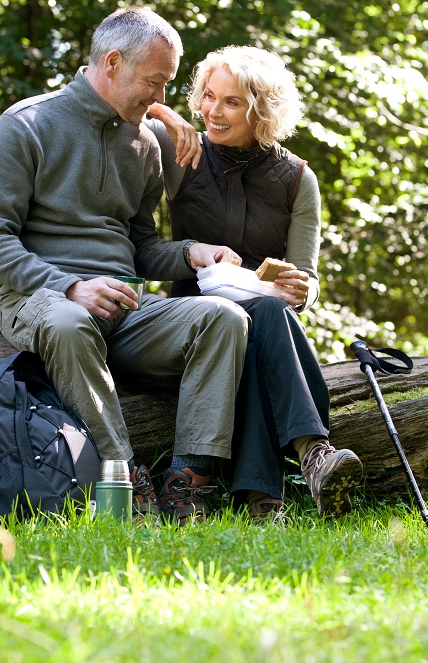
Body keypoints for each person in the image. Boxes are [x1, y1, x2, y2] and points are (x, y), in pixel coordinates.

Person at [0, 7, 250, 524]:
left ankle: (186, 482)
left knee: (223, 318)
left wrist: (190, 253)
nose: (161, 99)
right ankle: (123, 476)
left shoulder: (143, 142)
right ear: (114, 62)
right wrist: (71, 286)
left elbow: (140, 244)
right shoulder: (26, 124)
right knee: (72, 322)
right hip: (43, 301)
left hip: (126, 306)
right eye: (155, 83)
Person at [147, 45, 363, 520]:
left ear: (260, 109)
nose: (212, 111)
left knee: (268, 312)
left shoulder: (297, 179)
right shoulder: (179, 148)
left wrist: (303, 289)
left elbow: (304, 276)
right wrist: (163, 112)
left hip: (265, 319)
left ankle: (266, 497)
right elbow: (118, 108)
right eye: (207, 96)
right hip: (191, 318)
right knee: (254, 321)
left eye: (231, 102)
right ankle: (303, 461)